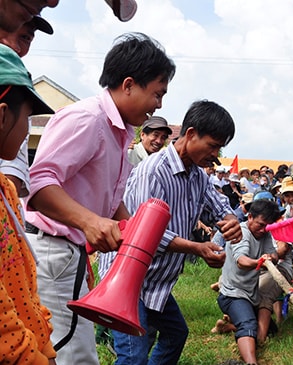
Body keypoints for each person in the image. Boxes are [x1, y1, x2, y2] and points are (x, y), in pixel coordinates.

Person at [24, 33, 176, 365]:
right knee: (73, 356)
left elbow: (107, 201)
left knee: (70, 352)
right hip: (52, 253)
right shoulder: (88, 119)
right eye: (157, 94)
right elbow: (38, 183)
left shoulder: (118, 130)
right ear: (129, 84)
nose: (159, 105)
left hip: (69, 256)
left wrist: (134, 232)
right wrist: (91, 222)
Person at [99, 100, 241, 364]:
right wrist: (196, 247)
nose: (215, 154)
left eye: (220, 148)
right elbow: (141, 232)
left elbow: (218, 205)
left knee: (176, 334)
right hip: (129, 278)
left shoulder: (198, 175)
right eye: (212, 146)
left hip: (156, 280)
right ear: (190, 135)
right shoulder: (154, 171)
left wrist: (231, 220)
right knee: (133, 356)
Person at [0, 43, 56, 365]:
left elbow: (24, 283)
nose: (27, 132)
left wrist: (45, 346)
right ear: (3, 116)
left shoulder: (6, 191)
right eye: (29, 120)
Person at [217, 199, 282, 365]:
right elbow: (242, 261)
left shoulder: (264, 233)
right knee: (248, 324)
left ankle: (227, 326)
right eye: (260, 224)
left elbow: (273, 254)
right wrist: (260, 262)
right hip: (232, 295)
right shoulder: (241, 232)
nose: (262, 229)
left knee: (269, 331)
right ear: (250, 216)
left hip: (251, 296)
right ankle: (251, 363)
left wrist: (271, 258)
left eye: (267, 226)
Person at [0, 15, 53, 197]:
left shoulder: (18, 100)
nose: (13, 46)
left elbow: (11, 173)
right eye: (5, 29)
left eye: (25, 38)